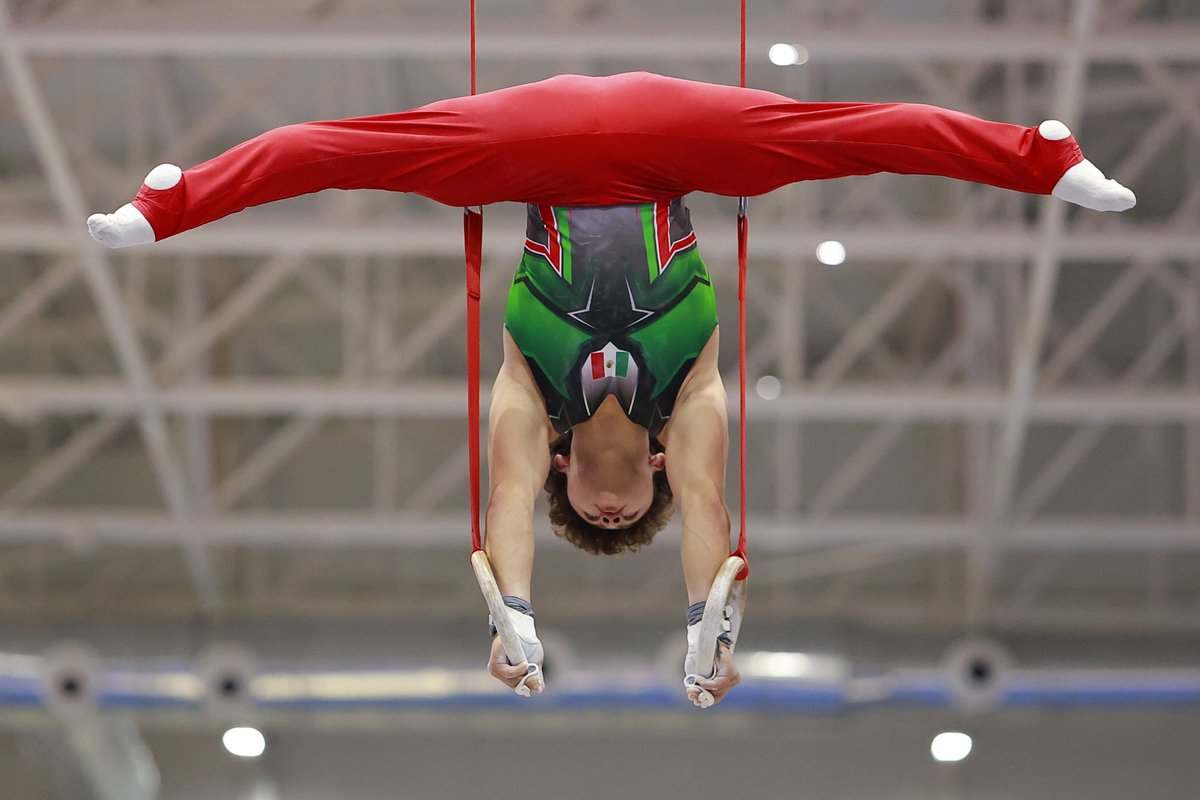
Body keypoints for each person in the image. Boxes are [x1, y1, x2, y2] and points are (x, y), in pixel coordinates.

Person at [87, 71, 1135, 706]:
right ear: (658, 478)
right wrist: (705, 630)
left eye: (593, 515)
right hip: (670, 144)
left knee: (334, 152)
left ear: (563, 475)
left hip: (532, 149)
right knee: (847, 137)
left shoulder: (523, 399)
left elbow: (504, 508)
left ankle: (162, 205)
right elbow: (714, 525)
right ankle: (1042, 157)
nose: (612, 507)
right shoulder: (694, 405)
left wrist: (515, 620)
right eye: (628, 516)